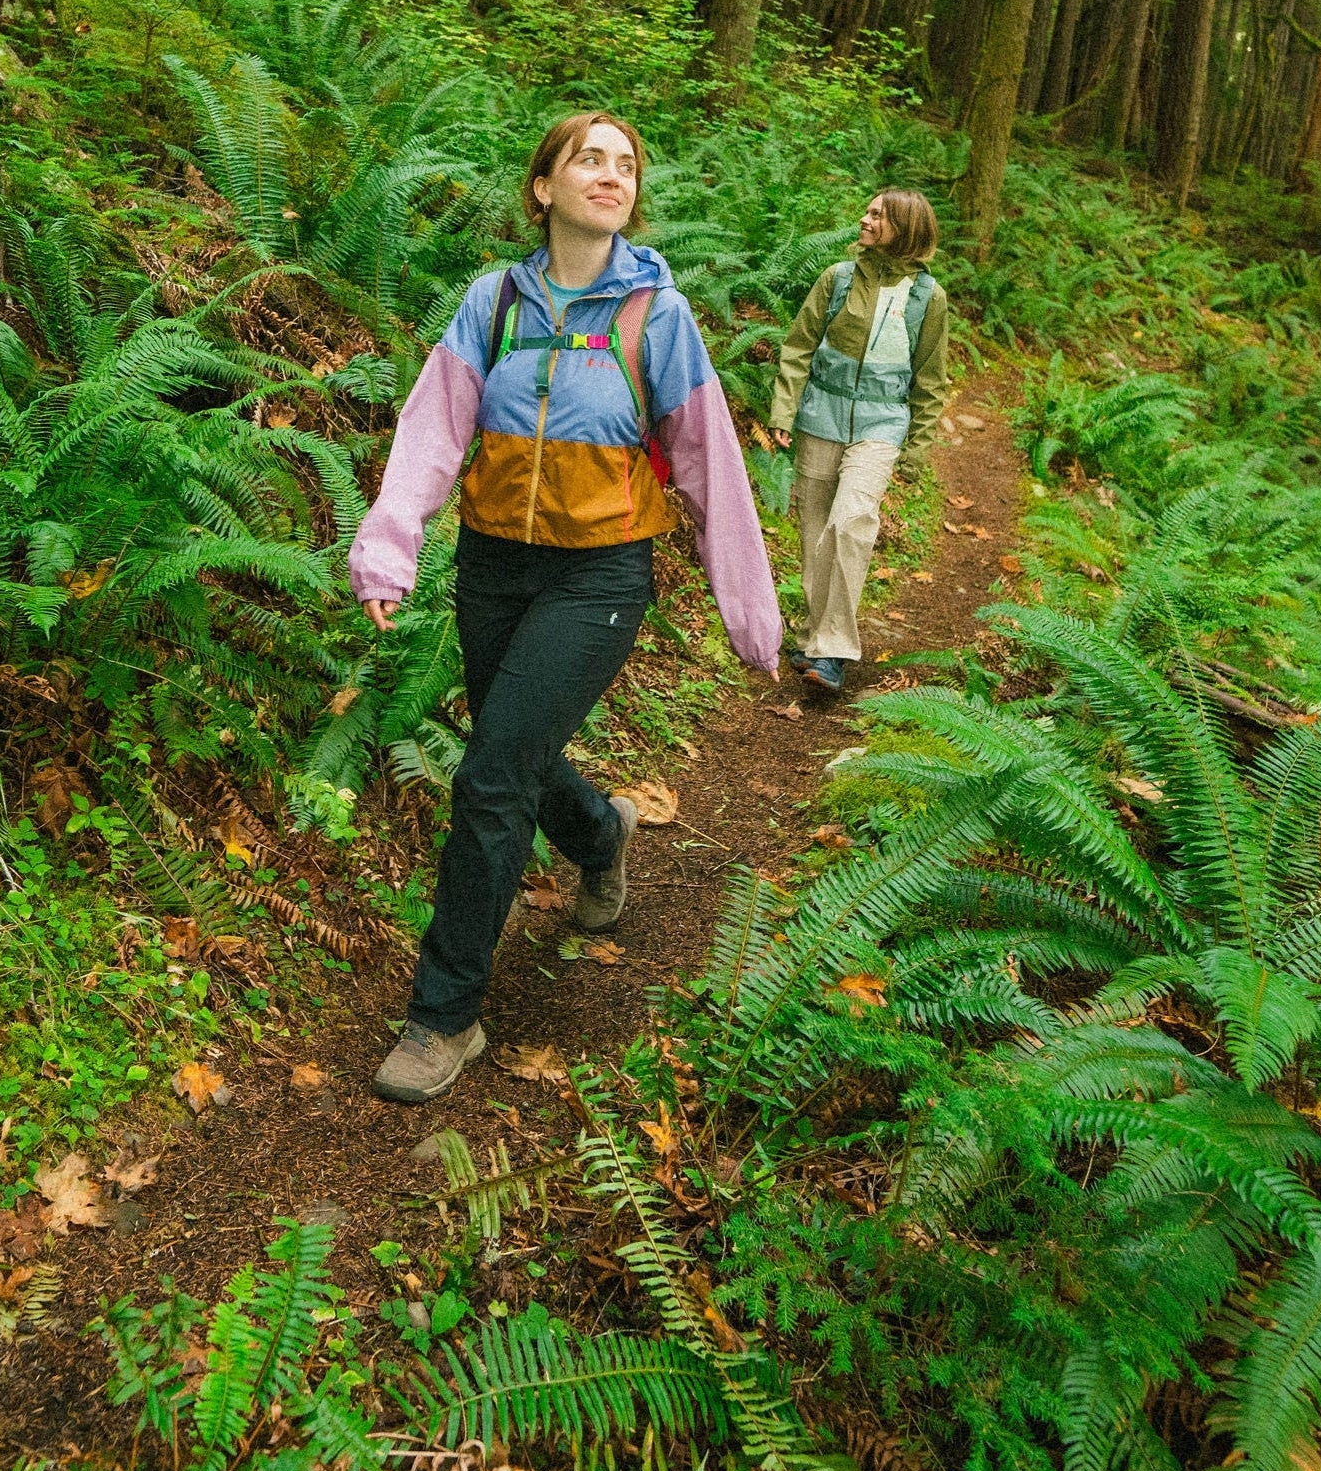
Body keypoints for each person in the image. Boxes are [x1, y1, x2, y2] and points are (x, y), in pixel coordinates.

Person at [348, 112, 780, 1104]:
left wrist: (748, 610)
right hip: (493, 564)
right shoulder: (494, 302)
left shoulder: (656, 317)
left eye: (627, 164)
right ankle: (600, 836)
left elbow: (710, 462)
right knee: (515, 750)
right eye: (590, 158)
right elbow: (431, 431)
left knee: (491, 776)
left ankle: (444, 1017)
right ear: (544, 186)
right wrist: (388, 547)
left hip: (600, 576)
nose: (611, 174)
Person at [768, 188, 949, 694]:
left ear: (905, 228)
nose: (864, 220)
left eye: (877, 215)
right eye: (867, 212)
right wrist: (784, 411)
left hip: (881, 424)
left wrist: (916, 447)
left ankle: (834, 650)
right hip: (820, 416)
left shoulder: (927, 298)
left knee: (851, 523)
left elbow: (930, 379)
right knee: (814, 531)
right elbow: (799, 347)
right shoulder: (838, 278)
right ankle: (813, 634)